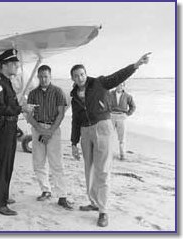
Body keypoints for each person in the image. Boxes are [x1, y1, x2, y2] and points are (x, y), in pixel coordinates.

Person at [70, 53, 151, 227]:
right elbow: (75, 120)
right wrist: (73, 143)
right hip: (85, 132)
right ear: (73, 78)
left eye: (82, 74)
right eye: (76, 76)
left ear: (86, 74)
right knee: (89, 170)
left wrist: (136, 65)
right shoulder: (74, 95)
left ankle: (103, 211)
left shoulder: (99, 83)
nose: (80, 78)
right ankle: (93, 202)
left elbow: (117, 76)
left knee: (103, 170)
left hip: (103, 127)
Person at [0, 49, 35, 216]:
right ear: (5, 65)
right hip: (3, 126)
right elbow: (0, 108)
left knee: (8, 163)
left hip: (9, 126)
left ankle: (3, 196)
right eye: (14, 64)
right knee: (2, 164)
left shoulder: (6, 81)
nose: (16, 66)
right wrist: (21, 108)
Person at [27, 65, 73, 210]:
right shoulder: (33, 93)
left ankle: (62, 196)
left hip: (53, 129)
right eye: (40, 76)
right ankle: (46, 190)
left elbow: (61, 113)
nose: (43, 79)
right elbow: (29, 115)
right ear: (38, 77)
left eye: (45, 76)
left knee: (56, 163)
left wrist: (50, 131)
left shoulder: (58, 92)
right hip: (37, 128)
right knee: (38, 162)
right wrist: (40, 130)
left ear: (50, 76)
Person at [110, 82, 136, 160]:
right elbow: (104, 103)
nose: (120, 86)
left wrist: (127, 114)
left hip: (122, 117)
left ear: (124, 86)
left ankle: (122, 155)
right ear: (115, 85)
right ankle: (107, 153)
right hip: (111, 116)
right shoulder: (110, 94)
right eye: (118, 84)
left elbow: (133, 107)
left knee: (122, 138)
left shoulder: (128, 96)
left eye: (121, 85)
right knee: (108, 136)